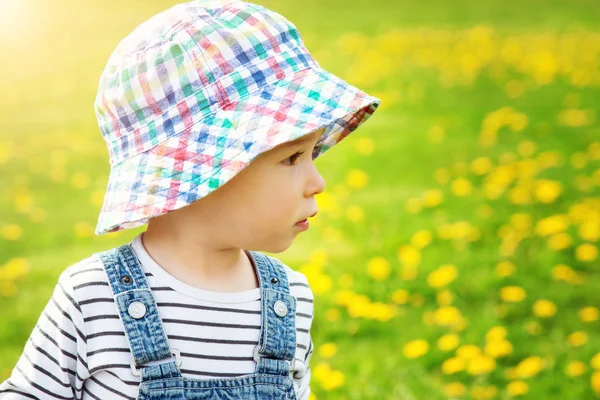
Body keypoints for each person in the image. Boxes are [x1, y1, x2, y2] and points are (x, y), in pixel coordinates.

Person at [0, 0, 381, 398]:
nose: (317, 182)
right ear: (203, 172)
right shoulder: (93, 297)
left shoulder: (291, 299)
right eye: (291, 158)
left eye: (312, 154)